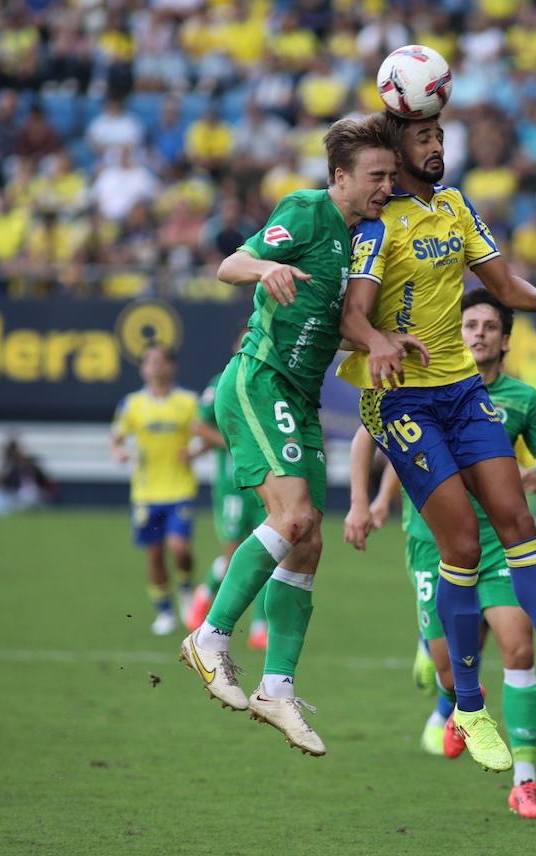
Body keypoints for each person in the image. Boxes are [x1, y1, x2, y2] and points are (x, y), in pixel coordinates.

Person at [337, 110, 536, 776]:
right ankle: (468, 707)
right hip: (400, 398)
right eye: (424, 138)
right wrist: (380, 342)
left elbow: (500, 285)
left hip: (462, 391)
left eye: (440, 136)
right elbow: (351, 315)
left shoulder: (457, 207)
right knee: (462, 541)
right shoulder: (378, 227)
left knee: (518, 522)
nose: (437, 146)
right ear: (397, 151)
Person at [178, 116, 405, 757]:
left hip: (301, 400)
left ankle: (276, 688)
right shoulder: (306, 212)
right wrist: (262, 270)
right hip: (259, 381)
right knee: (295, 516)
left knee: (306, 547)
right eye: (375, 176)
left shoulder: (366, 239)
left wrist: (384, 342)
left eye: (390, 175)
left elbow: (342, 325)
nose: (386, 185)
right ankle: (210, 636)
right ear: (340, 177)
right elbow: (229, 263)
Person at [346, 289, 536, 819]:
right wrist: (365, 503)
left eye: (489, 326)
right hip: (434, 545)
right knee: (453, 675)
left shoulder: (522, 400)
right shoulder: (420, 381)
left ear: (505, 339)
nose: (478, 333)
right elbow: (374, 439)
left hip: (499, 545)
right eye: (469, 324)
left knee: (519, 650)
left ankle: (525, 781)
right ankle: (446, 689)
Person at [186, 333, 271, 652]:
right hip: (234, 483)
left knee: (270, 553)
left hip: (266, 479)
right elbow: (199, 426)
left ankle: (260, 627)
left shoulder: (270, 379)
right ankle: (205, 596)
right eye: (244, 341)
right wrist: (235, 443)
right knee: (234, 555)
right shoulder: (222, 381)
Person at [109, 346, 201, 636]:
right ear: (143, 368)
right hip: (146, 493)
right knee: (154, 554)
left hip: (179, 488)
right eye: (150, 362)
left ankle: (186, 589)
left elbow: (205, 434)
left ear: (172, 367)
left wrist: (195, 452)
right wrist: (119, 452)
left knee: (179, 548)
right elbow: (116, 438)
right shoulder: (132, 404)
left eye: (161, 362)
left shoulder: (187, 402)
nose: (156, 367)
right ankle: (165, 612)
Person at [0, 437, 57, 516]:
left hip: (23, 495)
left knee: (29, 493)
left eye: (15, 450)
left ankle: (23, 510)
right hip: (10, 494)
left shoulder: (29, 463)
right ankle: (4, 511)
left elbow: (43, 481)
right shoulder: (6, 464)